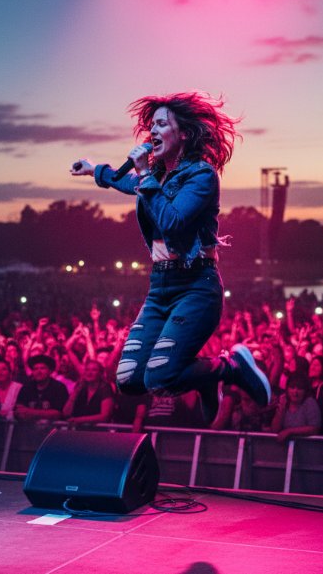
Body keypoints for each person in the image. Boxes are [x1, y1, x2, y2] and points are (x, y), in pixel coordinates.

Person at [69, 91, 270, 423]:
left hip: (196, 285)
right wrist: (95, 170)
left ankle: (228, 368)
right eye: (152, 126)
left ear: (185, 134)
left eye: (162, 124)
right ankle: (205, 378)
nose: (153, 131)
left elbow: (172, 220)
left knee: (160, 377)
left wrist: (146, 176)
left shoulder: (202, 176)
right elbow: (129, 183)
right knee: (129, 379)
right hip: (161, 286)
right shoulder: (156, 177)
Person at [14, 354, 69, 422]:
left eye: (42, 368)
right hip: (29, 429)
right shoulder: (26, 387)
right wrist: (45, 414)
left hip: (53, 429)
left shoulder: (59, 388)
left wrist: (29, 412)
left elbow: (58, 414)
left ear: (50, 371)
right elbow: (19, 410)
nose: (38, 371)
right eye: (35, 369)